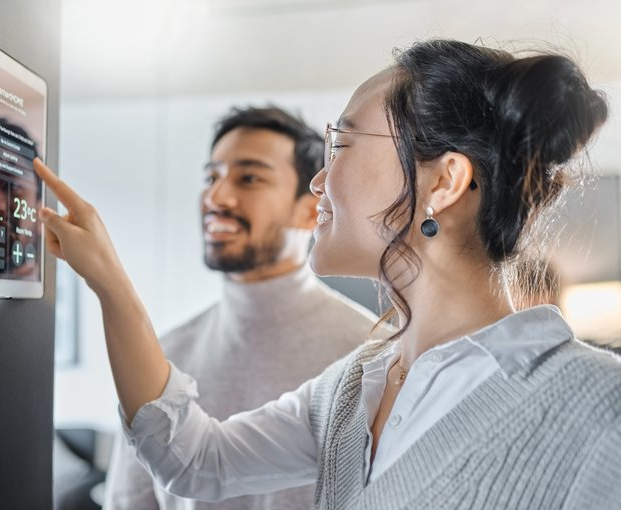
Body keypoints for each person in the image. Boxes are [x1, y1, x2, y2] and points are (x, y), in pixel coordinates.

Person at [35, 39, 621, 509]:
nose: (317, 182)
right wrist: (109, 280)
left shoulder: (599, 407)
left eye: (340, 144)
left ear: (443, 182)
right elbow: (193, 459)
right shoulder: (353, 387)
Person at [100, 106, 379, 509]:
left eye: (249, 178)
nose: (216, 197)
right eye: (211, 177)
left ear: (310, 207)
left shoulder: (370, 355)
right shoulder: (160, 355)